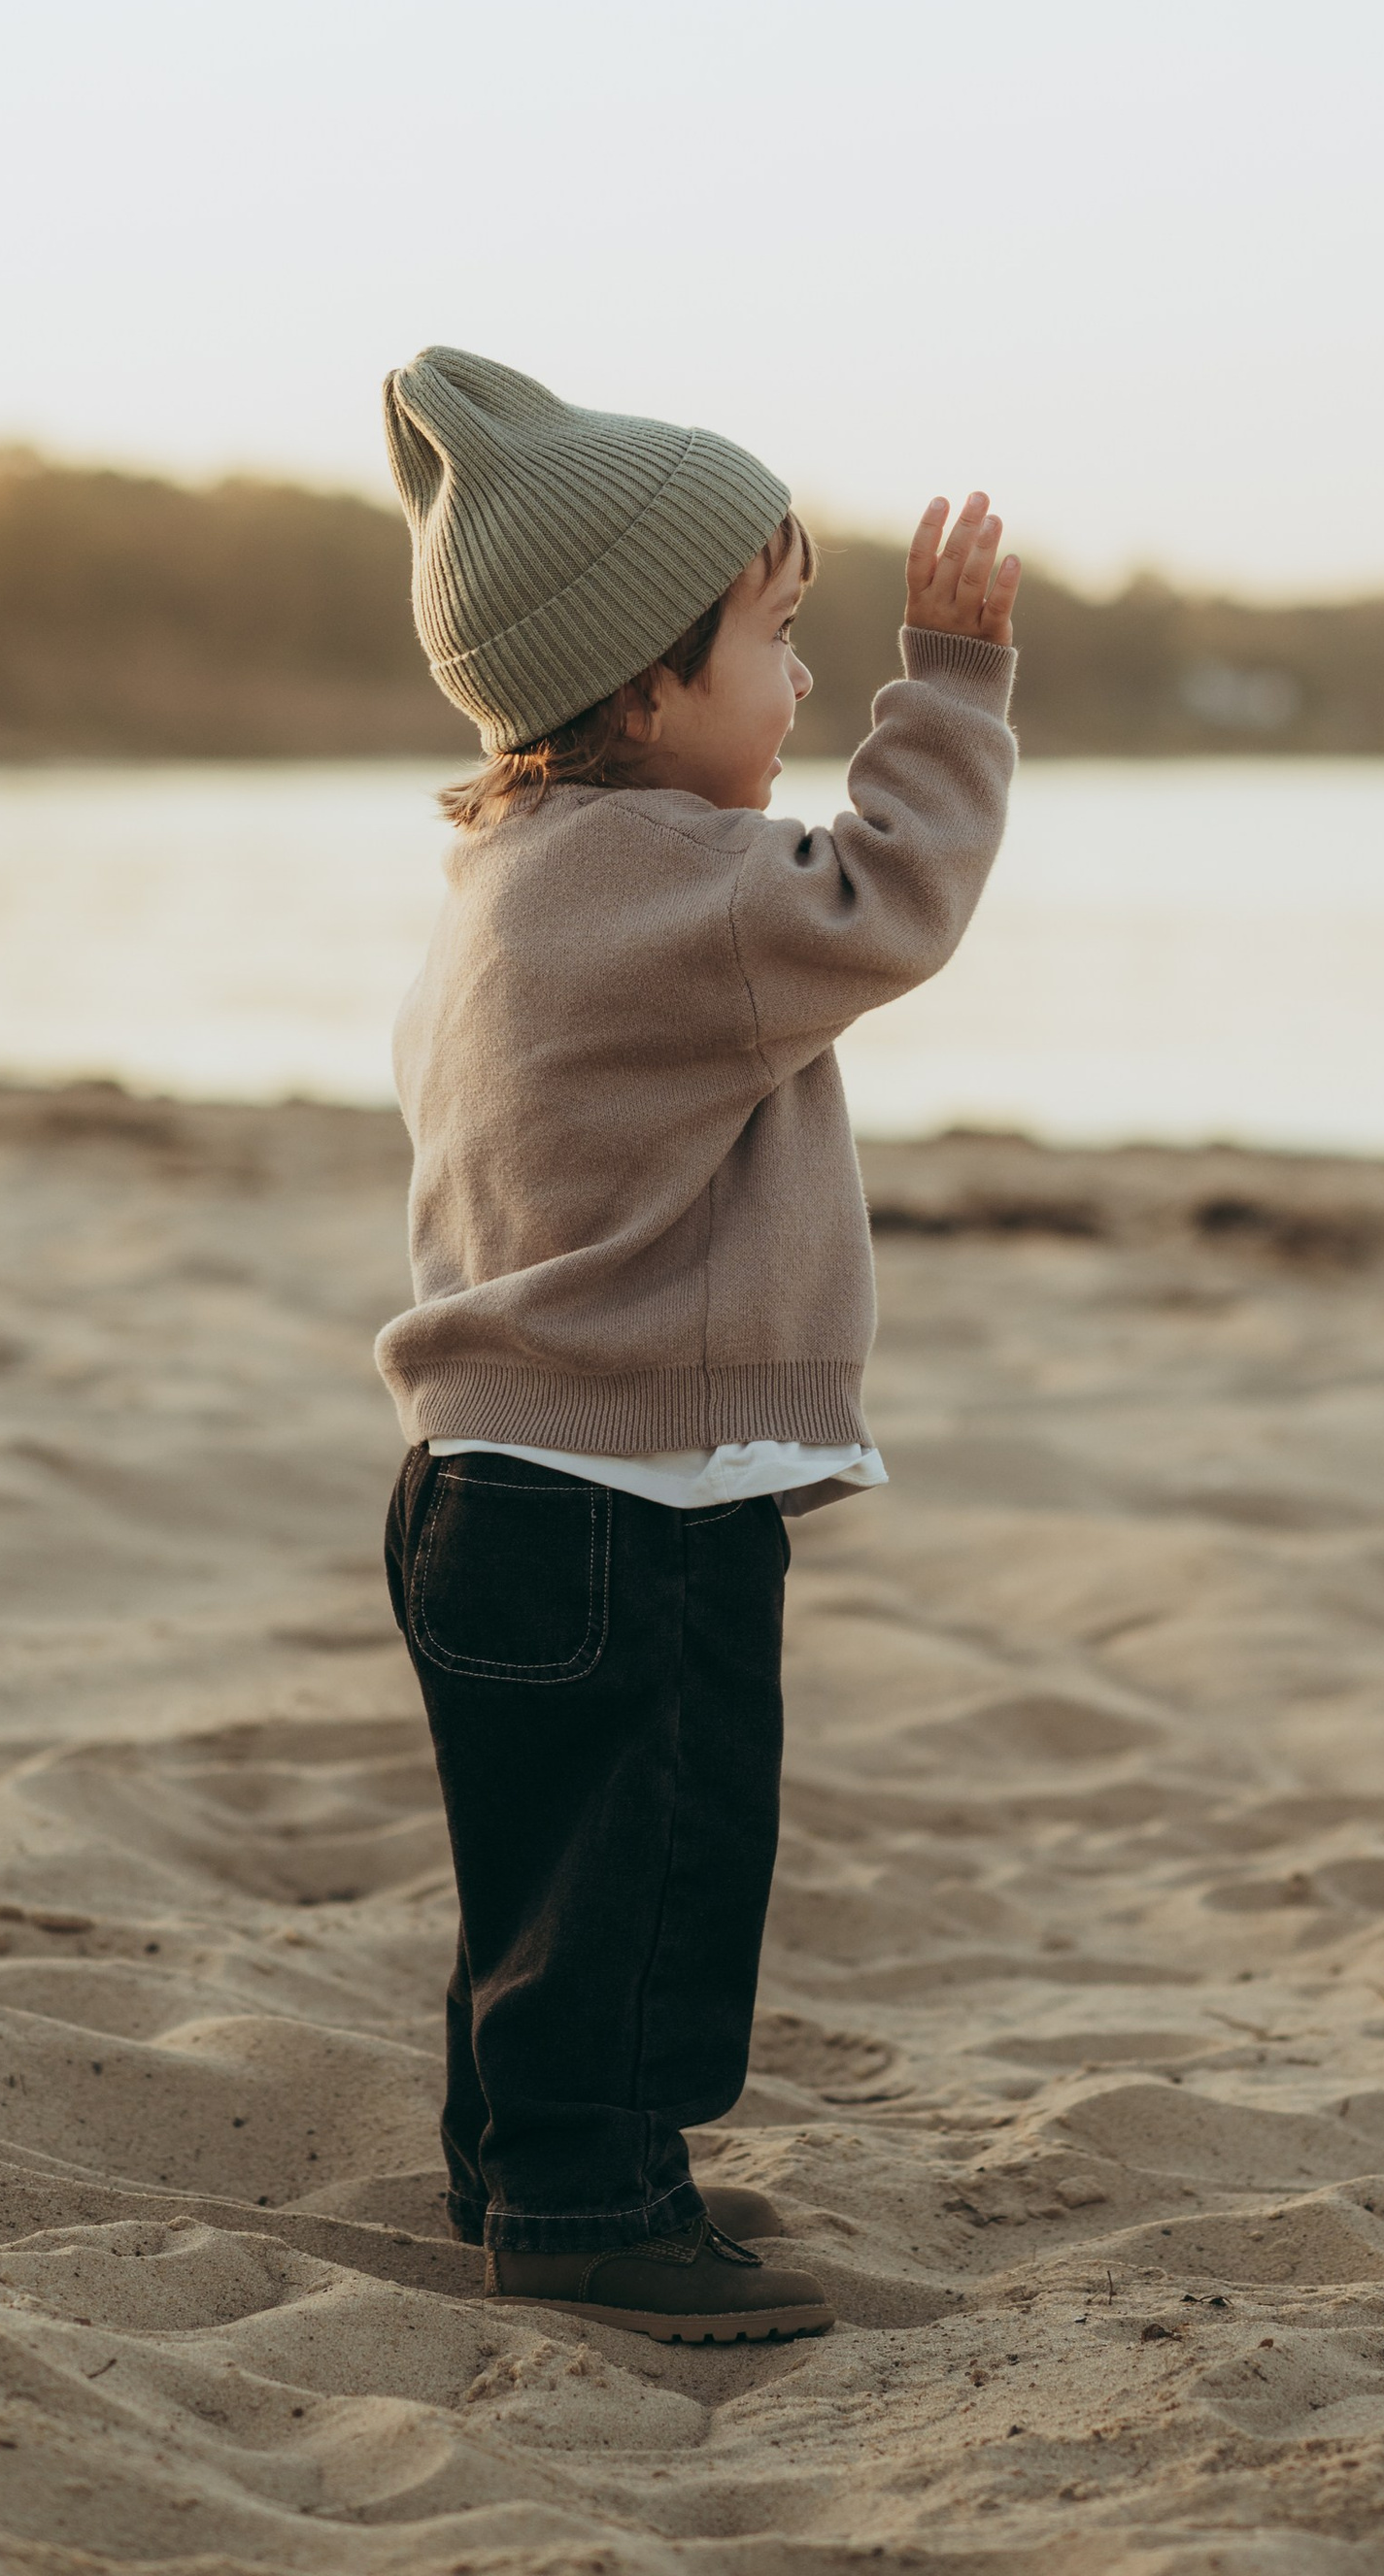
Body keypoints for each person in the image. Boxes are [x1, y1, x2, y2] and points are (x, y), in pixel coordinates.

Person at [375, 345, 1019, 2345]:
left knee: (543, 1867)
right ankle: (588, 2207)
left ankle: (525, 2156)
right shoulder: (694, 892)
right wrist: (957, 683)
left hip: (479, 1483)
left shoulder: (506, 879)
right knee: (650, 1861)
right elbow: (893, 895)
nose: (805, 685)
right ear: (641, 689)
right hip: (620, 1500)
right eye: (774, 638)